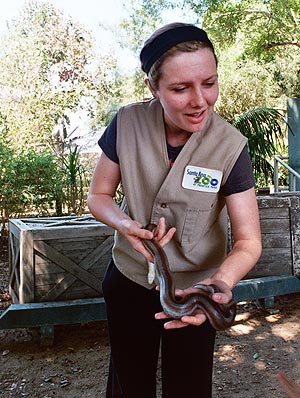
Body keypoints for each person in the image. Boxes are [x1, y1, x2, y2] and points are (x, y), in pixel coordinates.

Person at [88, 22, 262, 398]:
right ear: (153, 88)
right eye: (181, 89)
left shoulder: (231, 146)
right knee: (128, 384)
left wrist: (220, 286)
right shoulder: (127, 124)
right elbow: (98, 196)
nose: (200, 100)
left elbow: (249, 242)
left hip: (196, 291)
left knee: (189, 387)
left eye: (210, 83)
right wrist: (124, 223)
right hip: (129, 281)